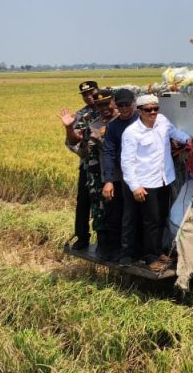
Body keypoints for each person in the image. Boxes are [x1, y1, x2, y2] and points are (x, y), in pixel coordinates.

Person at [120, 94, 191, 271]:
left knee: (161, 218)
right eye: (148, 110)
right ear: (139, 111)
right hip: (146, 183)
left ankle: (158, 251)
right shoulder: (131, 133)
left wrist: (190, 140)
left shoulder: (162, 121)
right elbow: (127, 162)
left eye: (155, 109)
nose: (153, 112)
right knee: (150, 221)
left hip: (164, 179)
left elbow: (175, 133)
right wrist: (135, 186)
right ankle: (150, 258)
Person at [58, 80, 99, 250]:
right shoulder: (82, 115)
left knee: (106, 203)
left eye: (91, 93)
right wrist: (69, 129)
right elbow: (72, 140)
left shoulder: (110, 108)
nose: (89, 97)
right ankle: (82, 237)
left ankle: (106, 238)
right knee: (83, 200)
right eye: (85, 95)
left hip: (109, 165)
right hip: (89, 164)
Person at [100, 88, 139, 262]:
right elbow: (108, 153)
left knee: (150, 216)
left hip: (148, 175)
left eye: (127, 104)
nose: (124, 108)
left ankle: (147, 252)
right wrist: (108, 180)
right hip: (126, 176)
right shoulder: (113, 127)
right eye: (120, 105)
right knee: (127, 214)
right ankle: (126, 252)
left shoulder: (143, 120)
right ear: (115, 105)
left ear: (134, 104)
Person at [81, 89, 118, 259]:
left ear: (113, 102)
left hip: (126, 175)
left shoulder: (124, 120)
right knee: (101, 210)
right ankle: (104, 246)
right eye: (100, 105)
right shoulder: (93, 125)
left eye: (107, 103)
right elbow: (84, 151)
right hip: (103, 175)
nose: (104, 108)